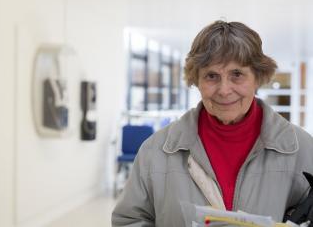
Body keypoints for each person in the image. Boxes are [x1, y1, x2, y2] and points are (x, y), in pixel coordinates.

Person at [112, 20, 313, 227]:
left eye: (237, 74)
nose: (224, 90)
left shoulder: (303, 149)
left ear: (258, 77)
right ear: (196, 81)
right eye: (211, 76)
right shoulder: (155, 151)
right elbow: (129, 220)